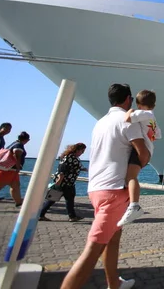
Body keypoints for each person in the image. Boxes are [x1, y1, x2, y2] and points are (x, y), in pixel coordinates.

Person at [61, 83, 150, 289]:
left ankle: (114, 284)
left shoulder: (100, 122)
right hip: (114, 191)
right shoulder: (128, 120)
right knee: (92, 250)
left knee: (113, 238)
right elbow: (143, 154)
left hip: (96, 188)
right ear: (128, 99)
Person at [117, 90, 162, 227]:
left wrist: (130, 110)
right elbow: (158, 135)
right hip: (149, 149)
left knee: (130, 177)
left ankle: (134, 205)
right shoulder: (151, 116)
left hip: (140, 150)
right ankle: (129, 202)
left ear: (138, 104)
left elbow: (127, 119)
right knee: (129, 176)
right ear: (153, 105)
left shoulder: (143, 114)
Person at [39, 143, 87, 222]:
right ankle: (72, 216)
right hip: (65, 183)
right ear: (77, 150)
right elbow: (62, 170)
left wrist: (84, 169)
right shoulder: (70, 157)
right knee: (65, 199)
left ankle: (41, 214)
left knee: (57, 199)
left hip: (67, 182)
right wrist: (58, 182)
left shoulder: (71, 157)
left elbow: (74, 167)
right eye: (82, 151)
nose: (82, 153)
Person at [0, 131, 30, 210]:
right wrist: (18, 167)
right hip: (7, 170)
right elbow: (16, 155)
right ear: (27, 140)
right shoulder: (19, 146)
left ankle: (18, 203)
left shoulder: (14, 143)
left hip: (8, 170)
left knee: (15, 186)